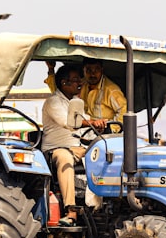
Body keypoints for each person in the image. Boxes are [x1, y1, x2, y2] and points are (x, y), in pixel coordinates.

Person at [41, 65, 105, 226]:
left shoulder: (75, 103)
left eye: (80, 80)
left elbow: (86, 120)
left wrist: (99, 125)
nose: (80, 84)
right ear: (64, 83)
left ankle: (99, 206)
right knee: (65, 158)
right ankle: (71, 211)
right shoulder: (53, 102)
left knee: (103, 154)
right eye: (76, 80)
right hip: (54, 149)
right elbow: (68, 123)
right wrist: (91, 122)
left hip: (76, 147)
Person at [46, 58, 127, 124]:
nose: (92, 74)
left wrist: (113, 129)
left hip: (104, 135)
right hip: (86, 130)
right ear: (83, 70)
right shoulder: (81, 84)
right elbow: (61, 91)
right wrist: (51, 69)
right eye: (88, 70)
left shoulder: (111, 90)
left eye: (96, 70)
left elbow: (124, 110)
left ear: (102, 70)